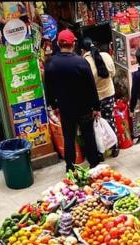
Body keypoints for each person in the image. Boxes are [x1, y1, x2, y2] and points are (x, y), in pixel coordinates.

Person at [44, 29, 101, 172]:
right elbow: (91, 87)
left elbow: (48, 89)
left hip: (65, 108)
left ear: (58, 43)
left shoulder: (51, 64)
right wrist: (96, 107)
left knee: (69, 137)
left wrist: (54, 105)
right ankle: (94, 164)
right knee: (88, 135)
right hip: (84, 107)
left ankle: (70, 167)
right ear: (73, 44)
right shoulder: (81, 62)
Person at [81, 37, 119, 157]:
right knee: (110, 119)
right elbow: (113, 73)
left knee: (95, 125)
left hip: (94, 99)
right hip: (109, 94)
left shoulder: (84, 62)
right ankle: (115, 147)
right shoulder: (106, 56)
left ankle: (100, 152)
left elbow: (85, 84)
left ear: (82, 50)